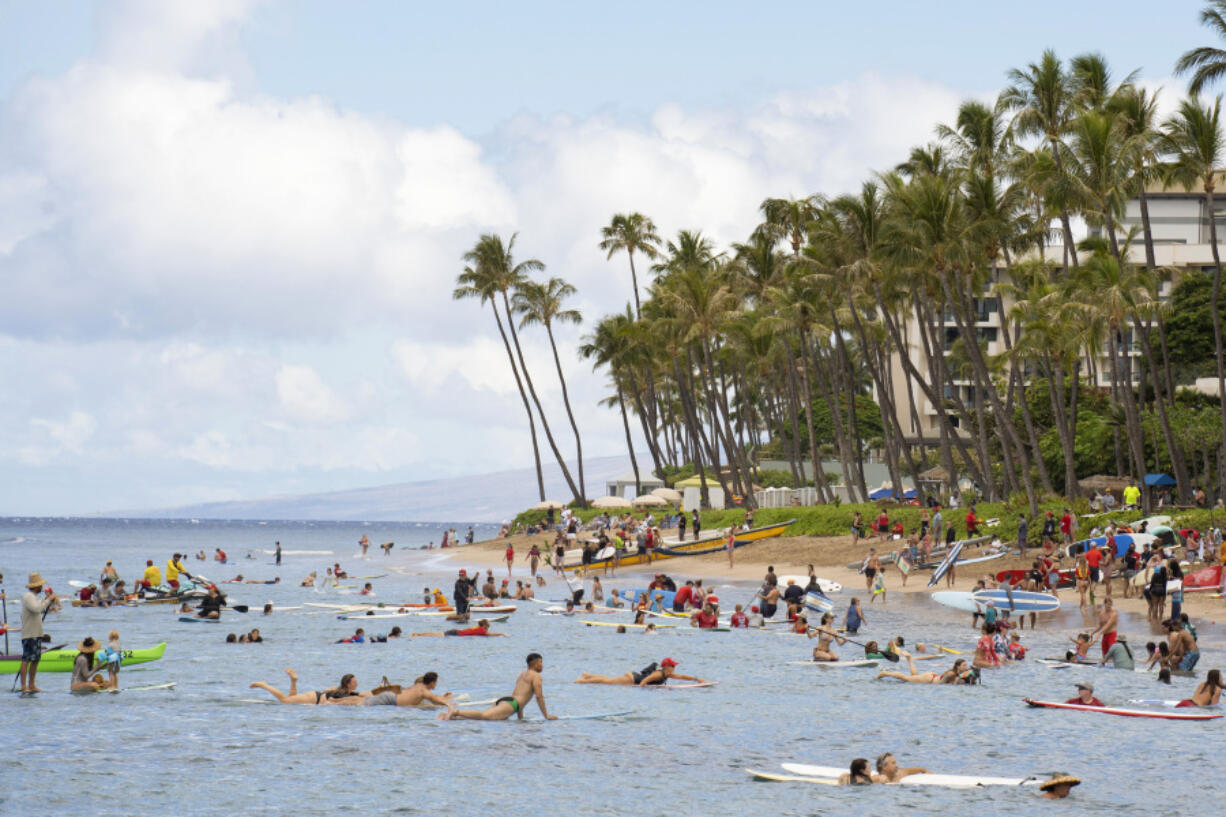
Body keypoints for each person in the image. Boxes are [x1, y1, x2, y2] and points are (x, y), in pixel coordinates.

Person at [439, 653, 556, 721]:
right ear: (535, 664)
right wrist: (546, 716)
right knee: (484, 716)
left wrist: (520, 719)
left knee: (480, 718)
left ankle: (448, 717)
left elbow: (521, 696)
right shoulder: (536, 676)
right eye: (541, 662)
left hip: (507, 701)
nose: (542, 665)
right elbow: (539, 697)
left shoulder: (523, 674)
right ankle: (455, 712)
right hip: (511, 704)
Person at [19, 573, 59, 694]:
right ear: (36, 586)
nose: (42, 587)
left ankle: (31, 684)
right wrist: (48, 600)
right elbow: (37, 609)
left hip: (36, 633)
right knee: (26, 659)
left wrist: (48, 602)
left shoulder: (33, 597)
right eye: (41, 585)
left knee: (35, 659)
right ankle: (24, 685)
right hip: (29, 634)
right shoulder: (28, 596)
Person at [249, 669, 364, 704]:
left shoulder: (347, 693)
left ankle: (293, 681)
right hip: (314, 698)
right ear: (348, 684)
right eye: (354, 681)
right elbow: (329, 699)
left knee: (291, 701)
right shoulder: (342, 693)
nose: (357, 683)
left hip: (315, 696)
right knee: (284, 700)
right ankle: (264, 685)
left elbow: (363, 695)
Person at [574, 656, 707, 686]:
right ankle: (582, 681)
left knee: (609, 678)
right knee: (607, 681)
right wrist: (640, 688)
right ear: (667, 667)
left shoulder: (668, 674)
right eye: (673, 666)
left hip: (632, 676)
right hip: (632, 679)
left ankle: (587, 675)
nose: (675, 668)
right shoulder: (659, 674)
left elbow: (682, 677)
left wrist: (696, 679)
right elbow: (645, 680)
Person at [877, 654, 975, 684]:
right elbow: (954, 681)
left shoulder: (956, 674)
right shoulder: (951, 674)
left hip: (932, 676)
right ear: (958, 666)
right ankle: (886, 673)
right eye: (963, 665)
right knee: (906, 678)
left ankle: (910, 659)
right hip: (929, 679)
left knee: (914, 677)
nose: (965, 667)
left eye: (966, 665)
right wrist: (964, 676)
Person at [410, 619, 507, 638]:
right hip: (457, 634)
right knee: (436, 635)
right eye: (488, 626)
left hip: (456, 632)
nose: (488, 629)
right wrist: (502, 634)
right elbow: (490, 634)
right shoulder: (482, 630)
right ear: (485, 626)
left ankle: (419, 634)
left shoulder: (478, 627)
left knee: (436, 634)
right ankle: (418, 635)